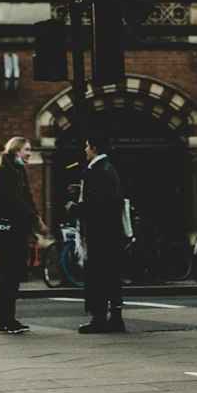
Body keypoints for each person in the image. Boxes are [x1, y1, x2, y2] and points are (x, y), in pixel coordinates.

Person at [0, 135, 45, 335]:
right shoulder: (4, 172)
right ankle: (4, 320)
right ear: (16, 151)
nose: (29, 153)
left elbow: (28, 199)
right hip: (8, 233)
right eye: (27, 150)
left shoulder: (18, 171)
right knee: (9, 275)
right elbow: (14, 202)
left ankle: (9, 318)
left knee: (14, 275)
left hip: (18, 231)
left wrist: (37, 220)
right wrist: (35, 221)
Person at [77, 133, 126, 334]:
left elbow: (100, 204)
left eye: (87, 146)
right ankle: (116, 318)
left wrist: (77, 208)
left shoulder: (95, 170)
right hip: (112, 233)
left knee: (98, 275)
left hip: (100, 234)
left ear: (95, 148)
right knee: (112, 276)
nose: (85, 150)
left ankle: (99, 319)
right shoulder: (109, 168)